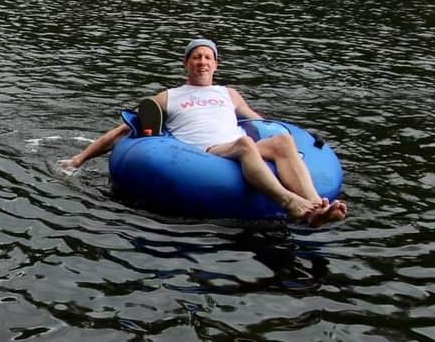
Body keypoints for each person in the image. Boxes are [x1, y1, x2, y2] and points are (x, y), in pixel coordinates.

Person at [62, 37, 348, 226]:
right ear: (186, 64)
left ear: (215, 64)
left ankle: (315, 205)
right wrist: (78, 160)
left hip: (238, 144)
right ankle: (290, 203)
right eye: (196, 57)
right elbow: (123, 131)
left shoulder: (229, 94)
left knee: (283, 141)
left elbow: (264, 124)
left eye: (207, 57)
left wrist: (290, 141)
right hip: (204, 153)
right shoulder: (169, 96)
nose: (202, 61)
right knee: (245, 145)